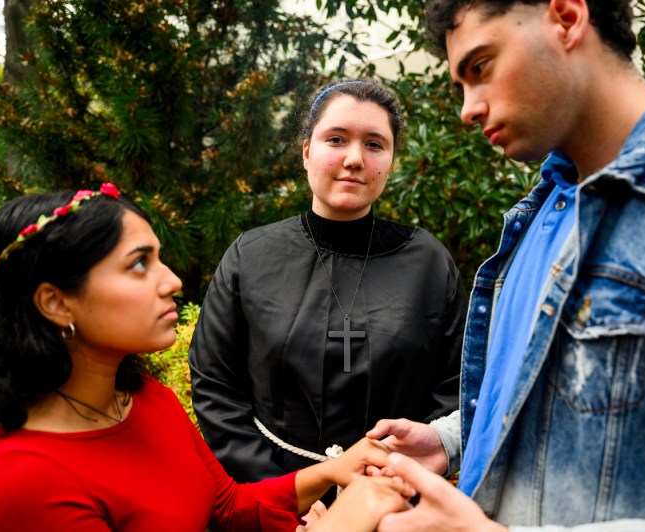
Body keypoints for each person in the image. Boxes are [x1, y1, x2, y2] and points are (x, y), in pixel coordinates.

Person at [365, 0, 645, 530]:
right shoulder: (544, 209)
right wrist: (452, 441)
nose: (468, 109)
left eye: (481, 68)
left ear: (566, 18)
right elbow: (553, 392)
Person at [0, 183, 407, 531]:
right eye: (138, 264)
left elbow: (225, 508)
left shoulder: (146, 400)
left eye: (159, 258)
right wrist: (343, 522)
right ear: (56, 302)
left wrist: (335, 469)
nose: (171, 281)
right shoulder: (23, 480)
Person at [188, 77, 467, 499]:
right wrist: (283, 496)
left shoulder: (428, 262)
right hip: (274, 500)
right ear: (306, 152)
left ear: (390, 160)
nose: (354, 158)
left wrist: (388, 485)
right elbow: (216, 385)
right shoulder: (251, 255)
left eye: (375, 145)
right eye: (336, 139)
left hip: (392, 500)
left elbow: (456, 386)